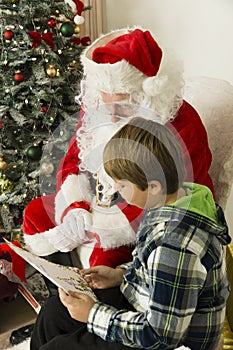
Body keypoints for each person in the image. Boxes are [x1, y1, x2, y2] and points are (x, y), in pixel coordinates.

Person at [22, 27, 214, 274]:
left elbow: (173, 198)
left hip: (144, 212)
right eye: (105, 102)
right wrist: (76, 209)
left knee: (103, 260)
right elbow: (73, 160)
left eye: (122, 107)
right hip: (98, 201)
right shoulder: (100, 109)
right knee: (35, 214)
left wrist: (99, 227)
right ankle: (61, 286)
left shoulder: (182, 125)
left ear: (146, 98)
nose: (110, 115)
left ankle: (86, 306)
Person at [30, 117, 230, 350]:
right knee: (55, 311)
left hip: (171, 340)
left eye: (122, 185)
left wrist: (93, 314)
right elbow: (154, 270)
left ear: (154, 186)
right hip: (149, 304)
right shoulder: (175, 199)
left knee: (61, 346)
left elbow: (160, 336)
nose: (117, 191)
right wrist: (119, 275)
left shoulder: (175, 243)